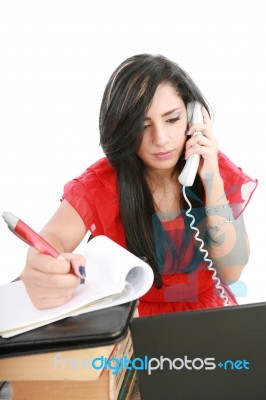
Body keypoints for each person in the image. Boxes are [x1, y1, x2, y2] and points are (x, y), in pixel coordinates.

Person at [21, 54, 257, 315]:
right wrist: (40, 264)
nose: (161, 139)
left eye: (172, 119)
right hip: (132, 321)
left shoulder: (213, 166)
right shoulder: (104, 180)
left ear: (193, 116)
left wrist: (211, 179)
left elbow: (232, 271)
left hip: (207, 318)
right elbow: (52, 238)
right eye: (143, 126)